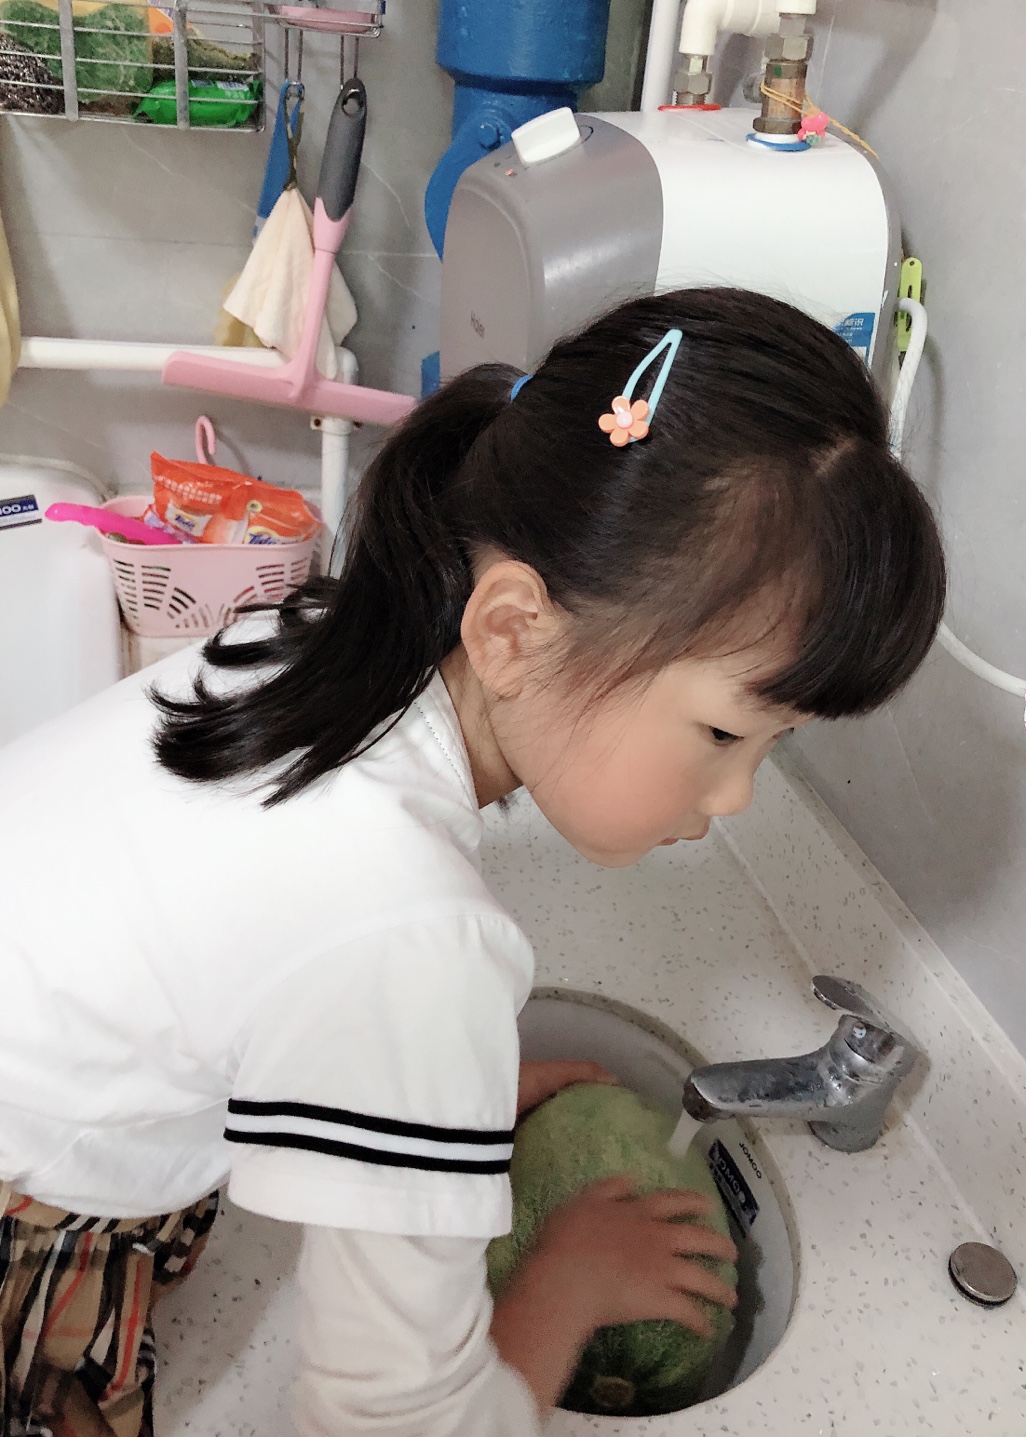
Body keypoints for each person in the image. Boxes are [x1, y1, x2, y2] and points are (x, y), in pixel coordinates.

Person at [0, 287, 946, 1437]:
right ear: (510, 631)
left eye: (773, 745)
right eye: (722, 733)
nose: (738, 795)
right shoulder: (412, 931)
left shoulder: (319, 644)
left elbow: (243, 970)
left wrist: (445, 1100)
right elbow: (392, 1428)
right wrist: (569, 1281)